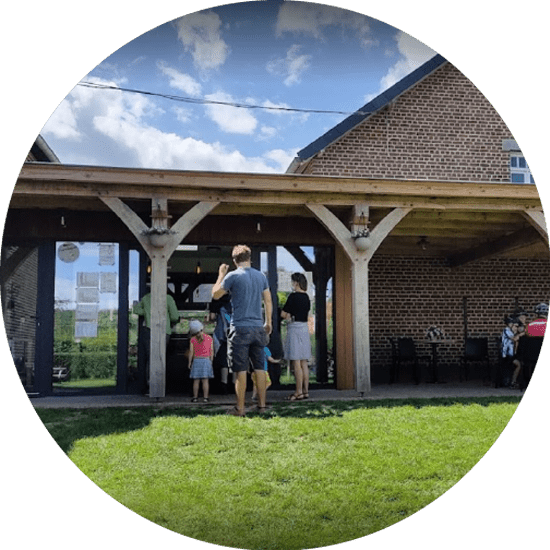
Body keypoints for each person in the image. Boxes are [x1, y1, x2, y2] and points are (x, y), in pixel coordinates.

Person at [212, 245, 272, 416]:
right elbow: (268, 301)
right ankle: (262, 406)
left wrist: (221, 274)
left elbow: (215, 294)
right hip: (258, 327)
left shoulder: (232, 276)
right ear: (249, 258)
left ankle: (240, 409)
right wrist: (268, 322)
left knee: (240, 369)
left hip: (239, 328)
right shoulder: (261, 276)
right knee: (259, 368)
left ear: (234, 260)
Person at [133, 289, 180, 386]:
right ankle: (159, 385)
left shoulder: (146, 298)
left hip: (148, 330)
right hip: (163, 330)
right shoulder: (168, 298)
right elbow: (175, 316)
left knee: (150, 358)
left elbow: (136, 310)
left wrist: (146, 312)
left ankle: (149, 384)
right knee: (160, 357)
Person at [281, 272, 312, 401]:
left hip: (294, 329)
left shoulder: (293, 297)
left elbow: (283, 314)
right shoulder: (307, 297)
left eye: (292, 282)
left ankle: (298, 392)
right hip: (304, 328)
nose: (292, 284)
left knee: (296, 361)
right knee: (304, 361)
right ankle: (305, 391)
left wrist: (286, 316)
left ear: (296, 283)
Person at [188, 320, 214, 403]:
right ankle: (205, 398)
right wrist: (211, 361)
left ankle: (195, 397)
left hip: (196, 360)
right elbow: (211, 351)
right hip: (206, 360)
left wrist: (189, 362)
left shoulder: (192, 339)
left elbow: (191, 352)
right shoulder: (209, 338)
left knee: (196, 381)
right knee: (205, 381)